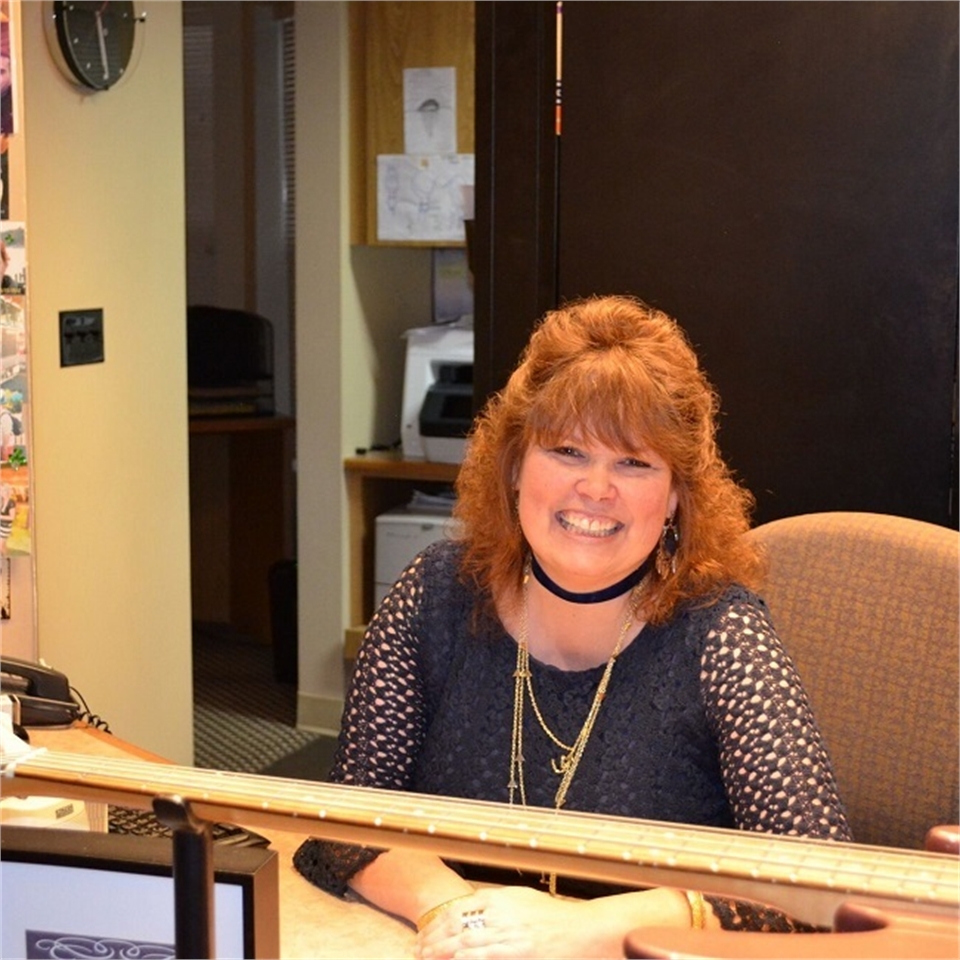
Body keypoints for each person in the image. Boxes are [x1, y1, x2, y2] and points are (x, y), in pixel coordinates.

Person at [294, 295, 851, 958]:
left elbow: (818, 878)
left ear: (676, 494)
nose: (595, 488)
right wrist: (461, 914)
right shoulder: (437, 595)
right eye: (567, 451)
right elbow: (350, 818)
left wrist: (583, 928)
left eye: (634, 463)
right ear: (514, 465)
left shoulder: (722, 634)